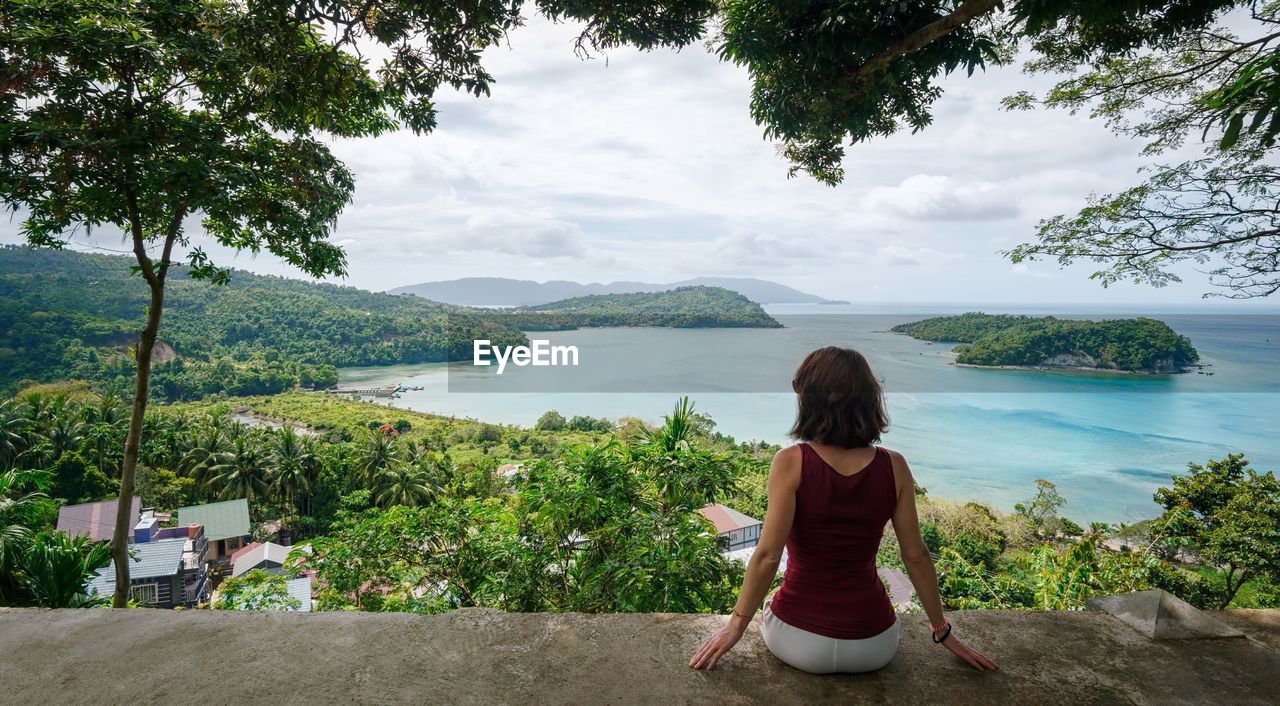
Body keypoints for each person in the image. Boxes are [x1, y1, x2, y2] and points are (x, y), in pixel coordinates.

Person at [689, 346, 998, 674]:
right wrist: (942, 630)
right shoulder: (895, 466)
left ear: (812, 400)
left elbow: (767, 556)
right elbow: (916, 556)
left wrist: (736, 624)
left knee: (773, 603)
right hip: (875, 643)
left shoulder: (791, 462)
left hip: (798, 640)